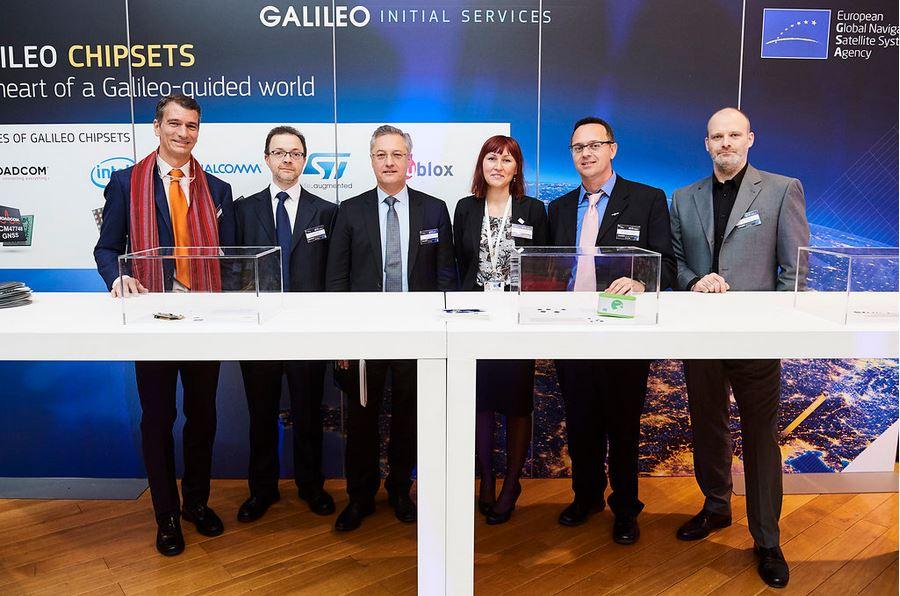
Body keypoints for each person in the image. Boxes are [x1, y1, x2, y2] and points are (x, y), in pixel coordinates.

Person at [670, 107, 808, 589]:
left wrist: (779, 326)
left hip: (756, 336)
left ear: (751, 138)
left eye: (734, 134)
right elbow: (675, 262)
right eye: (717, 136)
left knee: (761, 437)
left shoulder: (781, 189)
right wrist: (693, 281)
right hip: (702, 335)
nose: (725, 143)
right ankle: (716, 506)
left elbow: (795, 269)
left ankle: (767, 539)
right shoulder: (683, 197)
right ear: (706, 144)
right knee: (707, 425)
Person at [93, 94, 235, 556]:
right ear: (157, 127)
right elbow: (106, 248)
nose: (182, 133)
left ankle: (196, 503)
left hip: (204, 317)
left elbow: (232, 257)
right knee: (158, 419)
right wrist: (117, 277)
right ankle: (166, 515)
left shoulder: (218, 189)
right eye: (174, 124)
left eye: (191, 126)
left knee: (203, 416)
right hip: (151, 318)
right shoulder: (125, 182)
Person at [547, 117, 675, 544]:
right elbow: (550, 271)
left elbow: (667, 266)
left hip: (623, 331)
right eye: (578, 147)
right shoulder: (558, 208)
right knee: (580, 422)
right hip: (571, 332)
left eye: (594, 144)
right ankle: (586, 498)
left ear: (612, 149)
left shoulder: (647, 199)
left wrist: (641, 281)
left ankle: (625, 508)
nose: (586, 153)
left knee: (623, 425)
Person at [325, 125, 457, 531]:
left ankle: (400, 489)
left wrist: (441, 333)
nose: (389, 162)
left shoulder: (434, 210)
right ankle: (360, 497)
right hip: (364, 336)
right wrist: (342, 339)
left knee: (408, 417)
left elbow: (445, 277)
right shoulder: (350, 210)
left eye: (397, 154)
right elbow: (337, 280)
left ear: (409, 161)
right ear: (371, 160)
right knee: (361, 420)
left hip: (418, 336)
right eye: (381, 154)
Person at [234, 126, 338, 523]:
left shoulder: (326, 211)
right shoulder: (244, 210)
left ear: (305, 159)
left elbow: (332, 276)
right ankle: (261, 490)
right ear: (266, 159)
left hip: (308, 332)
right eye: (279, 152)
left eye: (295, 152)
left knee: (308, 412)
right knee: (260, 415)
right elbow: (234, 270)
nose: (287, 159)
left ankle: (311, 486)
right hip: (259, 330)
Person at [453, 135, 548, 524]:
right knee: (482, 401)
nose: (498, 166)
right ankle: (488, 479)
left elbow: (545, 266)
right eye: (491, 158)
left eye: (507, 160)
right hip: (475, 316)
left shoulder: (533, 209)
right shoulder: (465, 208)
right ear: (482, 164)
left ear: (516, 169)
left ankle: (511, 483)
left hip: (517, 319)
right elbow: (458, 264)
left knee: (516, 401)